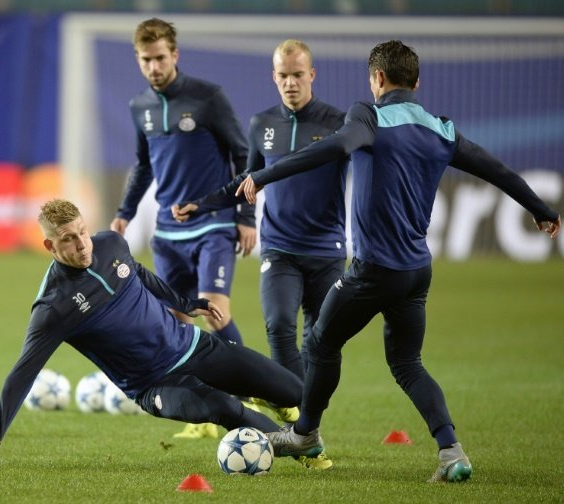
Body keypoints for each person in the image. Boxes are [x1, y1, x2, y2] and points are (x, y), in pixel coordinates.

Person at [237, 40, 561, 483]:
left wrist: (263, 174)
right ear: (418, 82)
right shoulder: (440, 128)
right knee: (407, 363)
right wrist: (540, 208)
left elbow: (334, 149)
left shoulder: (367, 116)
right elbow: (495, 169)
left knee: (318, 345)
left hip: (372, 272)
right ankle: (451, 451)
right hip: (416, 272)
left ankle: (305, 434)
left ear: (378, 79)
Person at [0, 199, 330, 470]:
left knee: (297, 391)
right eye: (68, 239)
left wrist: (185, 303)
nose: (82, 244)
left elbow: (139, 274)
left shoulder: (111, 244)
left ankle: (274, 407)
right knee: (224, 408)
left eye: (82, 232)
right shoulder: (53, 309)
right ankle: (304, 451)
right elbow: (23, 371)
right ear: (50, 246)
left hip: (195, 346)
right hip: (155, 385)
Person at [110, 17, 256, 439]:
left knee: (214, 310)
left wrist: (245, 217)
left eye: (159, 58)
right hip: (168, 235)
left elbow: (244, 156)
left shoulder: (208, 98)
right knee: (177, 322)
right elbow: (143, 165)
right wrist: (124, 212)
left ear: (174, 54)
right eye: (145, 60)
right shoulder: (140, 106)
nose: (153, 67)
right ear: (138, 60)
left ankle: (250, 390)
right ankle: (210, 409)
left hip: (213, 225)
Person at [173, 39, 348, 386]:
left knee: (320, 341)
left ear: (312, 74)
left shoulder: (339, 124)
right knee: (279, 325)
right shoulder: (262, 124)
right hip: (280, 248)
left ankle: (307, 420)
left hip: (327, 250)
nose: (290, 83)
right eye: (283, 75)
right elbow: (247, 180)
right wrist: (203, 203)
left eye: (298, 74)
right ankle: (297, 412)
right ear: (274, 76)